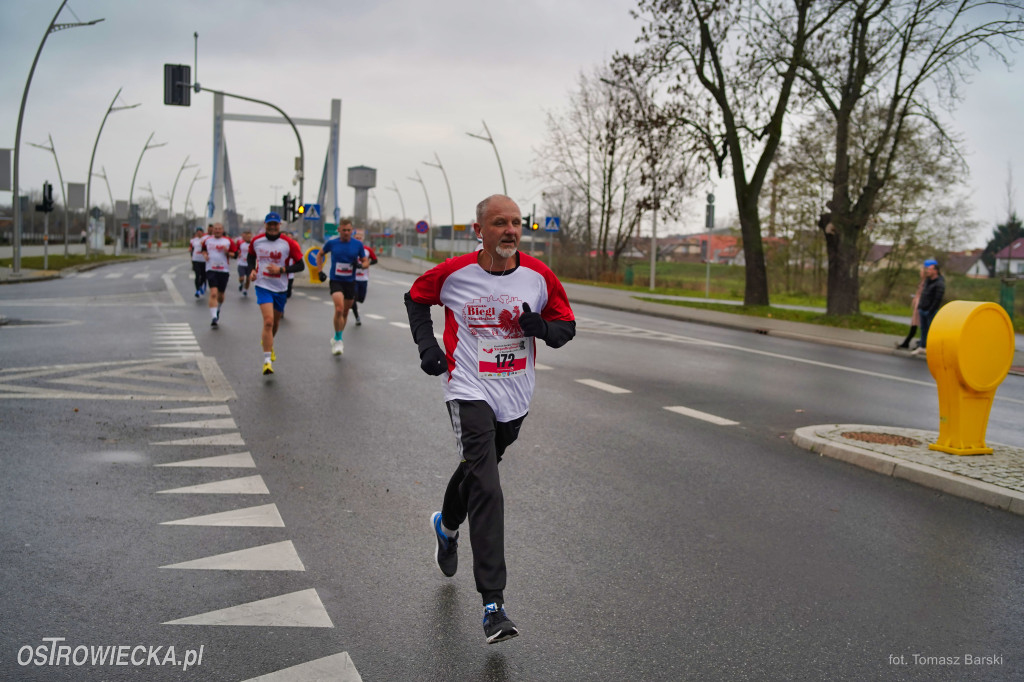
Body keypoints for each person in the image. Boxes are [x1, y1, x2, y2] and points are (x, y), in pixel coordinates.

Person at [404, 194, 576, 644]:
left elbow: (565, 328)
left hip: (515, 397)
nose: (511, 230)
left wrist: (540, 327)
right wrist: (429, 349)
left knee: (476, 472)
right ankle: (493, 606)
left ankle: (445, 525)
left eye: (517, 223)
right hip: (468, 389)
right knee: (487, 484)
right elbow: (415, 298)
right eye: (500, 222)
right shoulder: (454, 273)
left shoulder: (538, 277)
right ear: (477, 230)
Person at [248, 213, 305, 374]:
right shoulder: (257, 241)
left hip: (280, 287)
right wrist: (251, 270)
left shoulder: (288, 243)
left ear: (280, 225)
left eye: (275, 224)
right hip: (262, 285)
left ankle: (268, 343)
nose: (272, 227)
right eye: (269, 224)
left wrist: (282, 269)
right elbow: (250, 257)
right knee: (268, 321)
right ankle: (267, 361)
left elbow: (301, 265)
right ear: (265, 225)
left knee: (275, 324)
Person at [316, 219, 368, 355]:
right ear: (339, 230)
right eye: (343, 230)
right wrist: (319, 271)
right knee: (339, 309)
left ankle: (337, 336)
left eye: (348, 230)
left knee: (345, 312)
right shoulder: (332, 243)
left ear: (352, 231)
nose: (346, 233)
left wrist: (361, 265)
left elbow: (365, 261)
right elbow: (320, 254)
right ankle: (339, 340)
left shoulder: (357, 245)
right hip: (336, 280)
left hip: (350, 281)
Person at [201, 223, 237, 327]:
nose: (217, 230)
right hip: (211, 269)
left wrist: (227, 253)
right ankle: (214, 318)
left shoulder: (228, 241)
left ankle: (218, 308)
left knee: (220, 295)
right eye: (215, 229)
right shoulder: (207, 240)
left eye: (219, 229)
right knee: (213, 293)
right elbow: (203, 250)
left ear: (222, 230)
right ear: (212, 230)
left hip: (224, 270)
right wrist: (205, 255)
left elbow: (235, 255)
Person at [914, 258, 946, 355]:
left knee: (931, 331)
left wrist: (931, 310)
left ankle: (931, 350)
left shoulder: (939, 283)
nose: (928, 271)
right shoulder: (928, 281)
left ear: (936, 271)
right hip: (923, 308)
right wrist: (920, 306)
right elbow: (923, 294)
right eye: (927, 269)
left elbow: (937, 299)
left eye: (930, 269)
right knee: (923, 330)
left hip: (930, 311)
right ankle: (922, 347)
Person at [896, 266, 925, 350]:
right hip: (918, 305)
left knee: (919, 325)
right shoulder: (923, 282)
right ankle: (910, 342)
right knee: (915, 325)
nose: (920, 273)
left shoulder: (925, 283)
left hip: (920, 306)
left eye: (921, 272)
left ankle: (918, 343)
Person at [351, 244, 378, 326]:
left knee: (361, 298)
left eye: (360, 237)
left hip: (363, 278)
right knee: (353, 298)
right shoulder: (351, 247)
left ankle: (350, 302)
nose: (358, 239)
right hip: (353, 278)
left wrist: (366, 264)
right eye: (356, 237)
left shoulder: (367, 249)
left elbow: (375, 260)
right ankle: (357, 317)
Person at [188, 227, 207, 298]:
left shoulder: (205, 240)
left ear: (202, 232)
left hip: (204, 260)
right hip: (195, 260)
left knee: (204, 276)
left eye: (200, 231)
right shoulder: (193, 240)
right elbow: (191, 248)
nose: (198, 233)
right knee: (197, 275)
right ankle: (197, 290)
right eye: (197, 231)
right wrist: (189, 249)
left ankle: (201, 285)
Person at [236, 230, 253, 296]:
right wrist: (238, 253)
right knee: (242, 278)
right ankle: (241, 284)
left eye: (249, 237)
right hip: (241, 263)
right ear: (245, 237)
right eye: (247, 237)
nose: (248, 238)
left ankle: (245, 290)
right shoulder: (241, 243)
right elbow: (236, 250)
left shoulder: (253, 244)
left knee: (248, 279)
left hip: (249, 264)